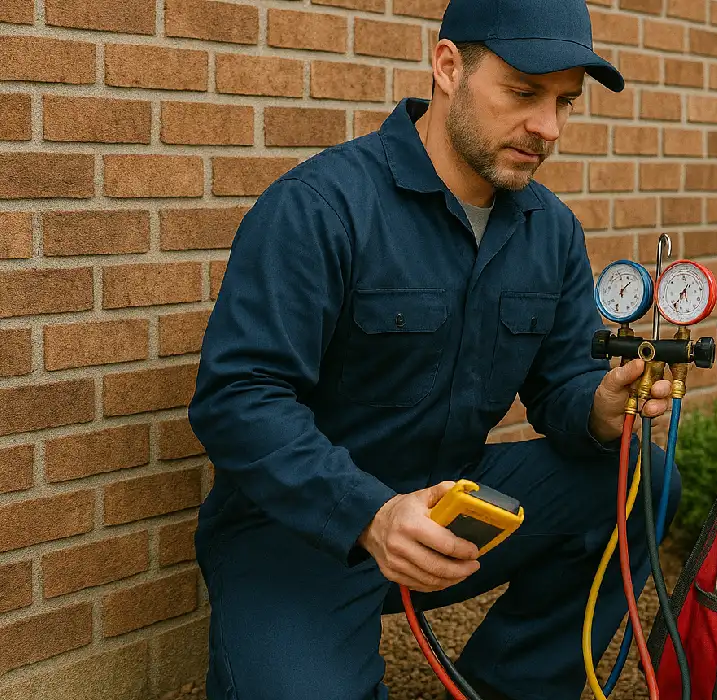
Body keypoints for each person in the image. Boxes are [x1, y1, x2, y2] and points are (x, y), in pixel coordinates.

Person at [186, 0, 683, 698]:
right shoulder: (321, 207)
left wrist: (599, 410)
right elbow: (238, 398)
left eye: (565, 102)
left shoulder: (552, 232)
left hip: (453, 509)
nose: (548, 127)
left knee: (640, 479)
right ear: (448, 66)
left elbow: (560, 384)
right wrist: (371, 513)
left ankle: (514, 685)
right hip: (299, 532)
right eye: (523, 93)